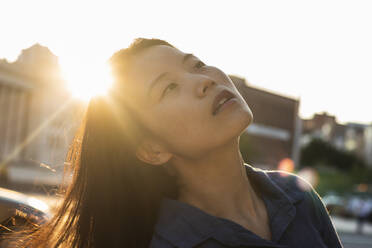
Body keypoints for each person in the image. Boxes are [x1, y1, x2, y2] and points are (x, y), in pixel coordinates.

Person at [6, 38, 343, 247]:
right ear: (151, 148)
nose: (202, 81)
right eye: (168, 88)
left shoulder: (299, 197)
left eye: (195, 64)